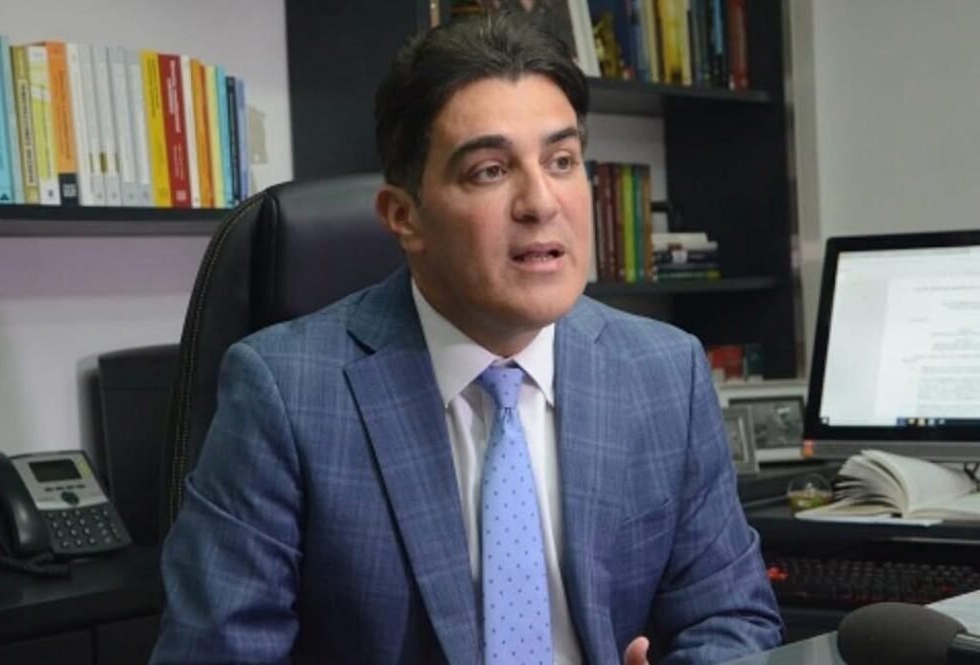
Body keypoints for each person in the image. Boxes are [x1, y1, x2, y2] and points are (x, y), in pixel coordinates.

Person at [149, 12, 783, 665]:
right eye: (489, 170)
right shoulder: (286, 393)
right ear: (404, 217)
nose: (541, 202)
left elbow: (731, 615)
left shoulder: (664, 372)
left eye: (562, 161)